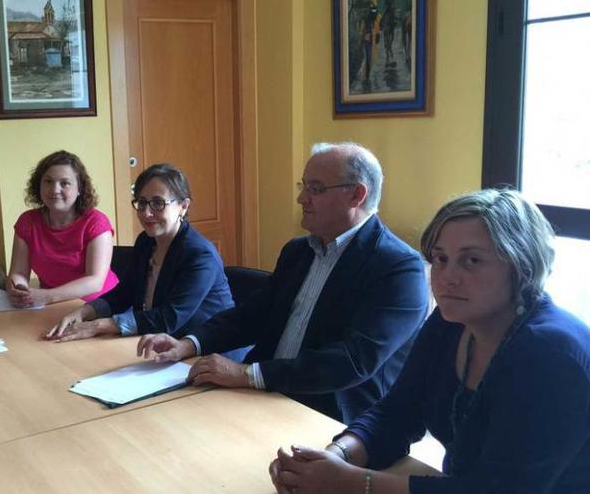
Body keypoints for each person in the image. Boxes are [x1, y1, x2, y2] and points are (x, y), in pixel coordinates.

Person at [269, 189, 590, 494]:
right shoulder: (451, 322)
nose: (447, 276)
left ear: (522, 266)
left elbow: (500, 490)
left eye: (471, 260)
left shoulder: (551, 355)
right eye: (440, 258)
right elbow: (398, 412)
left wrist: (351, 483)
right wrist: (336, 457)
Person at [137, 143, 428, 423]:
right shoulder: (298, 251)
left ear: (356, 196)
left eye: (316, 189)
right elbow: (253, 315)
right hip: (262, 393)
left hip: (328, 413)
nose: (302, 199)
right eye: (303, 187)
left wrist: (248, 374)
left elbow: (351, 361)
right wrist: (188, 344)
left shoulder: (399, 269)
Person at [46, 163, 238, 353]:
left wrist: (98, 326)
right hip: (161, 346)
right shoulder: (146, 241)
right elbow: (125, 292)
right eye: (142, 202)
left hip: (210, 352)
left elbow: (169, 318)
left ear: (183, 206)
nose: (147, 213)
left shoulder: (200, 255)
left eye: (158, 203)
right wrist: (84, 312)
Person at [7, 150, 118, 307]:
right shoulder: (27, 221)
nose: (54, 190)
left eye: (64, 183)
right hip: (51, 305)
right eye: (48, 181)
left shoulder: (96, 222)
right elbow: (18, 272)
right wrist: (19, 290)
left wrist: (47, 297)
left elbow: (95, 281)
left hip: (100, 306)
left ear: (79, 188)